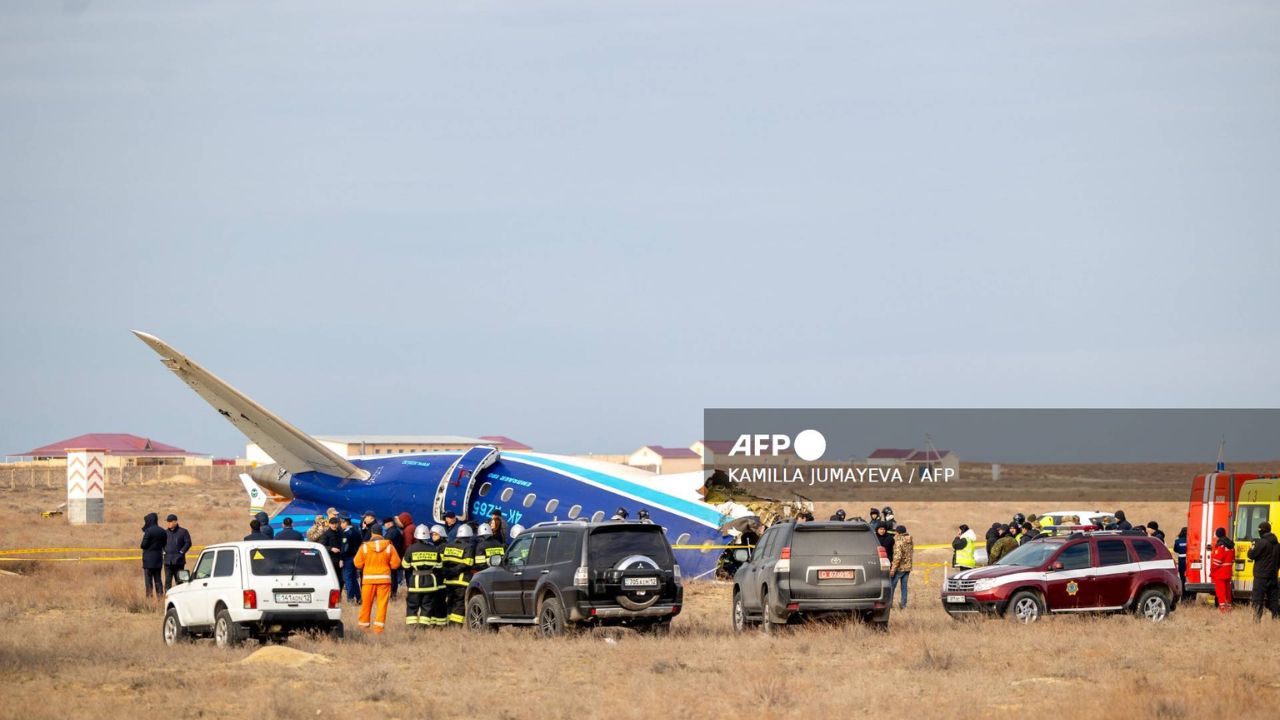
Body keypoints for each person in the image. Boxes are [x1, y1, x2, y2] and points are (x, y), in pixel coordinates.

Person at [352, 523, 401, 633]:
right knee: (382, 605)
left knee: (366, 604)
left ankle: (363, 628)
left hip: (368, 581)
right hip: (384, 581)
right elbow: (396, 564)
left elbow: (357, 563)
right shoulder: (389, 546)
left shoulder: (364, 547)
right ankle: (378, 630)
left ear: (372, 533)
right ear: (382, 533)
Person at [402, 525, 446, 629]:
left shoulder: (411, 549)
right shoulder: (434, 549)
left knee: (412, 604)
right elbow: (439, 566)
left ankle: (411, 626)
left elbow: (405, 565)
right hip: (431, 582)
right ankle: (423, 627)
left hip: (415, 582)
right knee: (427, 605)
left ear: (416, 536)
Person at [442, 524, 476, 626]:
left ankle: (448, 622)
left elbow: (444, 561)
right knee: (459, 603)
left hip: (448, 580)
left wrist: (448, 572)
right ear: (469, 536)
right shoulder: (468, 547)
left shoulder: (448, 545)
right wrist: (454, 571)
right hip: (461, 581)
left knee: (450, 601)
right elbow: (468, 563)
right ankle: (456, 625)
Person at [1247, 521, 1280, 621]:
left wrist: (1251, 547)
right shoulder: (1278, 545)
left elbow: (1251, 555)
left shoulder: (1261, 543)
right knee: (1274, 600)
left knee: (1257, 600)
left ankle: (1257, 621)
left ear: (1262, 531)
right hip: (1274, 576)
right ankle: (1276, 620)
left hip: (1261, 577)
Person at [140, 512, 167, 597]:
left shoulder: (148, 531)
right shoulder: (162, 531)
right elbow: (164, 544)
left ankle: (149, 599)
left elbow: (143, 545)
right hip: (158, 559)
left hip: (148, 560)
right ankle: (160, 597)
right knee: (158, 580)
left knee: (148, 581)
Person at [162, 514, 192, 590]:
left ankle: (181, 599)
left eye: (170, 521)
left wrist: (182, 552)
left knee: (180, 582)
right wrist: (163, 551)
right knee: (168, 582)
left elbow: (188, 543)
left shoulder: (183, 532)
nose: (168, 523)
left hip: (179, 562)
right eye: (167, 522)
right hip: (168, 562)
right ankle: (167, 599)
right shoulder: (164, 533)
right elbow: (160, 543)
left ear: (175, 522)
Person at [1209, 527, 1235, 613]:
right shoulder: (1231, 545)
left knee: (1221, 591)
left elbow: (1217, 561)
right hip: (1228, 571)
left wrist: (1212, 570)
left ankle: (1223, 608)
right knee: (1227, 590)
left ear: (1218, 534)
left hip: (1220, 572)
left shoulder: (1221, 545)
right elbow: (1232, 559)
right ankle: (1228, 606)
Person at [339, 514, 363, 603]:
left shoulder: (346, 533)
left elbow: (345, 547)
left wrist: (341, 558)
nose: (341, 525)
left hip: (348, 558)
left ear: (345, 522)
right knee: (353, 578)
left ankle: (350, 597)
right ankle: (359, 597)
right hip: (355, 557)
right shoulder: (356, 531)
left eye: (341, 523)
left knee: (347, 578)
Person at [889, 525, 912, 609]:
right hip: (908, 567)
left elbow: (897, 557)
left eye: (896, 532)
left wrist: (893, 569)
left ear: (898, 532)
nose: (895, 533)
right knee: (904, 587)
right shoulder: (909, 540)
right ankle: (903, 605)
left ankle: (889, 604)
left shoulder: (899, 542)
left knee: (892, 586)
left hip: (899, 568)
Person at [319, 516, 345, 591]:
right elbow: (322, 545)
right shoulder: (326, 534)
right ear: (329, 524)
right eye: (332, 524)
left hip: (340, 558)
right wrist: (331, 549)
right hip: (331, 559)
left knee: (341, 578)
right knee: (333, 578)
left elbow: (344, 543)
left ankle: (339, 594)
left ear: (338, 524)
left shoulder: (341, 532)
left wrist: (342, 558)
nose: (334, 525)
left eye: (335, 523)